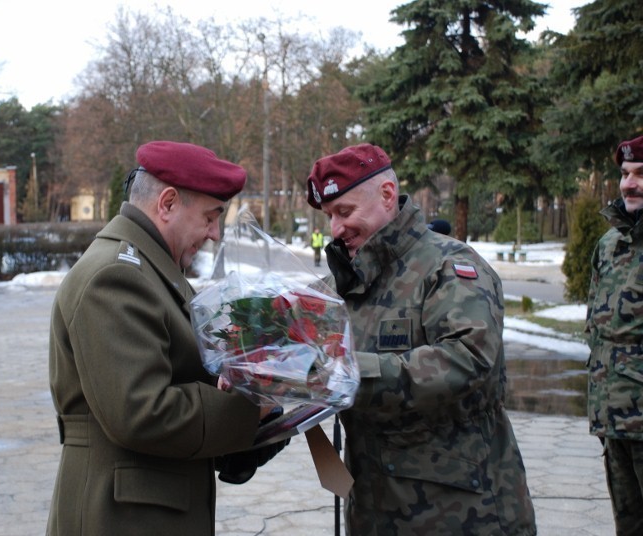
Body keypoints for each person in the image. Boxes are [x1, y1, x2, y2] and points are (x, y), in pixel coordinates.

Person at [47, 141, 284, 535]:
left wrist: (248, 382)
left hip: (145, 509)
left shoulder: (151, 270)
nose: (214, 233)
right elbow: (142, 411)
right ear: (168, 203)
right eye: (211, 217)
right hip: (120, 517)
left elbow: (180, 375)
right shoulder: (115, 276)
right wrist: (248, 408)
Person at [305, 143, 536, 535]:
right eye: (329, 216)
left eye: (345, 212)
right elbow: (305, 376)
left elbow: (466, 361)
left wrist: (346, 373)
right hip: (373, 514)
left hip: (462, 514)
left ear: (387, 195)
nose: (335, 229)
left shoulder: (451, 267)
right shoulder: (337, 288)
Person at [586, 134, 643, 536]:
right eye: (625, 174)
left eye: (641, 174)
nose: (629, 184)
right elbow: (596, 328)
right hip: (615, 419)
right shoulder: (610, 245)